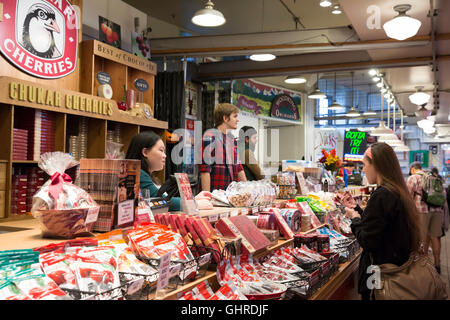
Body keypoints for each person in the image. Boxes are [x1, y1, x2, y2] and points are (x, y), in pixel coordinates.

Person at [342, 143, 422, 300]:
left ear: (376, 165)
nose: (363, 170)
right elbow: (382, 223)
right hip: (395, 265)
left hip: (379, 271)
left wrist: (355, 219)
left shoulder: (381, 195)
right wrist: (358, 209)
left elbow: (368, 240)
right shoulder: (395, 190)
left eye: (365, 165)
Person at [126, 131, 213, 212]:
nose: (165, 155)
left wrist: (194, 199)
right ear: (145, 152)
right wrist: (194, 203)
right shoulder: (139, 174)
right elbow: (160, 202)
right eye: (161, 150)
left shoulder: (147, 176)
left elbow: (163, 199)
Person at [200, 103, 247, 191]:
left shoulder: (233, 140)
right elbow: (205, 171)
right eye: (235, 116)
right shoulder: (210, 138)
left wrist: (248, 191)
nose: (238, 120)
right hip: (216, 197)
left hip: (232, 196)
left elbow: (239, 168)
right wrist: (207, 197)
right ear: (225, 118)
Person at [407, 162, 442, 273]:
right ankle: (437, 264)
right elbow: (443, 194)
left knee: (422, 239)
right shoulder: (433, 177)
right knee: (435, 237)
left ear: (412, 169)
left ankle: (424, 266)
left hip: (422, 211)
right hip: (437, 210)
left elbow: (407, 197)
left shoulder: (413, 178)